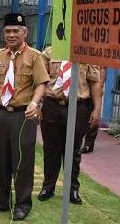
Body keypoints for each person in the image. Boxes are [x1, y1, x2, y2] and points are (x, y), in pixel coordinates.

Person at [0, 13, 49, 220]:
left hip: (23, 115)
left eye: (15, 31)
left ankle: (22, 204)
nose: (11, 35)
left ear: (25, 33)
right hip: (2, 114)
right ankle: (1, 201)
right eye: (7, 31)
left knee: (22, 160)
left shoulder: (34, 56)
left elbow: (42, 84)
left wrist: (35, 103)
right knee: (1, 158)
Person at [38, 46, 102, 205]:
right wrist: (38, 104)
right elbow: (40, 80)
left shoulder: (87, 52)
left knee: (73, 150)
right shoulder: (49, 53)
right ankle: (48, 186)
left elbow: (94, 83)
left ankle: (72, 188)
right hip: (52, 105)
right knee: (50, 149)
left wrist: (97, 109)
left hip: (78, 106)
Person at [81, 67, 106, 154]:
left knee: (93, 116)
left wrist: (100, 86)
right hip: (81, 89)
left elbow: (102, 68)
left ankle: (88, 144)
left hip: (93, 89)